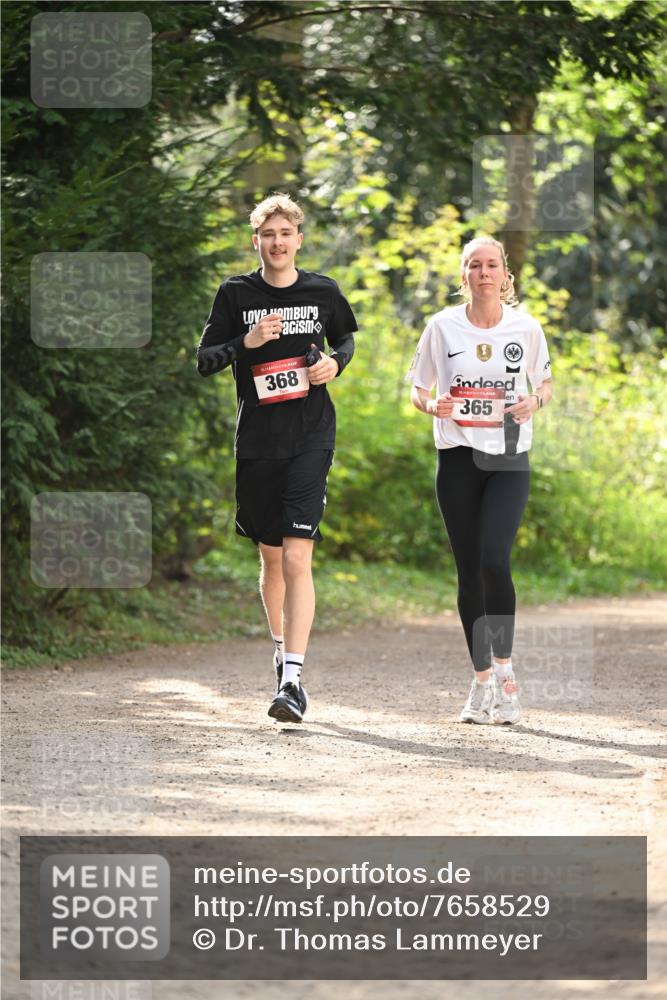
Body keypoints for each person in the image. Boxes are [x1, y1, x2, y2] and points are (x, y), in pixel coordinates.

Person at [196, 193, 357, 724]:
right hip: (259, 443)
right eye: (268, 235)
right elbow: (205, 361)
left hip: (312, 435)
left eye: (286, 234)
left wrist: (333, 365)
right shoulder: (236, 294)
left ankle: (292, 678)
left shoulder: (323, 291)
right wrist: (247, 340)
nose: (278, 243)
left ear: (299, 240)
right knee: (269, 558)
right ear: (256, 242)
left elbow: (347, 343)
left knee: (296, 556)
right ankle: (280, 644)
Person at [406, 236, 553, 725]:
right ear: (463, 274)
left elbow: (545, 382)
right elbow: (418, 388)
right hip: (458, 456)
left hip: (509, 457)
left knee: (494, 560)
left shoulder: (526, 327)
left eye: (492, 265)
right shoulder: (441, 327)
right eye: (475, 266)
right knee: (469, 571)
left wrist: (535, 401)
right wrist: (433, 404)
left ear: (505, 274)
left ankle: (507, 676)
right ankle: (481, 681)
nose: (484, 273)